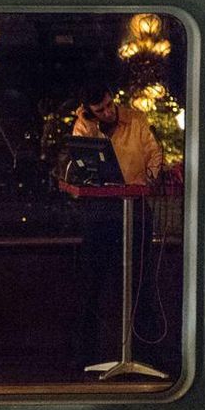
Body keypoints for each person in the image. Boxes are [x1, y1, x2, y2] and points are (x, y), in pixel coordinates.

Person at [70, 78, 163, 373]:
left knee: (141, 282)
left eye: (110, 105)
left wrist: (148, 179)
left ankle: (146, 354)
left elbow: (154, 153)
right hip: (101, 209)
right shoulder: (85, 126)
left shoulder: (136, 119)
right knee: (92, 283)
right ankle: (87, 356)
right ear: (89, 110)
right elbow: (82, 160)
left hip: (135, 205)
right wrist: (91, 126)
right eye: (100, 110)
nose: (108, 112)